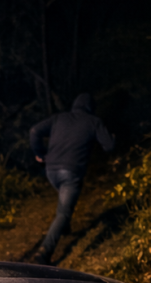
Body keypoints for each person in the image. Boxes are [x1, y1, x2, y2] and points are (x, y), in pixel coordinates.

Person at [28, 93, 115, 263]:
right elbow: (109, 146)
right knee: (63, 212)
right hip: (71, 172)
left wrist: (40, 153)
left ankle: (64, 227)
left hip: (51, 170)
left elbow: (34, 131)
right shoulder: (93, 121)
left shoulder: (59, 118)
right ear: (91, 108)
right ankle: (44, 252)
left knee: (64, 200)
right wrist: (113, 138)